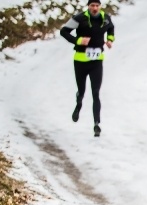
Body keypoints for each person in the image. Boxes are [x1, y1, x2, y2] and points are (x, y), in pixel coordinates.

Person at [59, 0, 115, 137]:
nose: (95, 8)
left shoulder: (105, 18)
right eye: (92, 5)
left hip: (97, 61)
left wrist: (110, 40)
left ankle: (96, 124)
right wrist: (78, 40)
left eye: (97, 5)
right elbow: (64, 31)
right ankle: (78, 104)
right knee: (82, 91)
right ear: (88, 7)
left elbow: (111, 28)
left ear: (100, 6)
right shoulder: (79, 18)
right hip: (80, 61)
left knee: (96, 93)